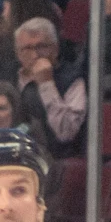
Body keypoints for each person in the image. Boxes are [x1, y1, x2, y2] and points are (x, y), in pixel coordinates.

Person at [10, 17, 88, 157]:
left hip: (57, 158)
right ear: (18, 53)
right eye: (27, 48)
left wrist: (46, 84)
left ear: (56, 49)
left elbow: (66, 133)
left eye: (41, 47)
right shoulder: (6, 78)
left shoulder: (73, 80)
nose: (35, 54)